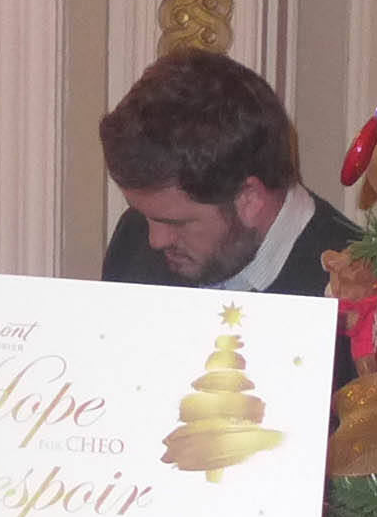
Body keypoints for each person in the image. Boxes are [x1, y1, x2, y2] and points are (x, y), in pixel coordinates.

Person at [99, 47, 357, 355]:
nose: (154, 240)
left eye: (175, 223)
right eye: (144, 215)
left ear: (249, 199)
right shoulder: (133, 239)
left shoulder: (359, 287)